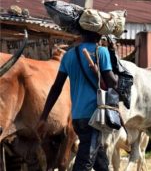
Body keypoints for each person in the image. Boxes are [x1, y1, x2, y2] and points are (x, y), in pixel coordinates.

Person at [37, 30, 119, 171]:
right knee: (84, 163)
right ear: (99, 35)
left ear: (81, 34)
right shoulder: (102, 52)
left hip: (77, 118)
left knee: (100, 162)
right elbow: (113, 83)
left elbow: (56, 88)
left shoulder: (68, 55)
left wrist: (44, 116)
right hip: (94, 117)